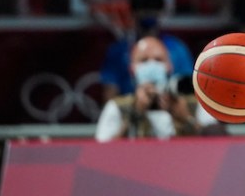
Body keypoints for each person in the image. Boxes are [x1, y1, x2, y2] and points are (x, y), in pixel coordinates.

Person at [94, 36, 224, 141]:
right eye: (144, 60)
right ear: (132, 69)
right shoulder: (118, 107)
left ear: (169, 66)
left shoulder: (194, 104)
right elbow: (103, 155)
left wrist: (187, 119)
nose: (152, 64)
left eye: (158, 59)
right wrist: (135, 114)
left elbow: (221, 144)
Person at [99, 0, 195, 103]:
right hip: (132, 113)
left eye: (158, 59)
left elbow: (188, 93)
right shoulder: (118, 51)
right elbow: (110, 94)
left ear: (161, 13)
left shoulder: (177, 49)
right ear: (133, 14)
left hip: (169, 111)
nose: (148, 16)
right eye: (143, 11)